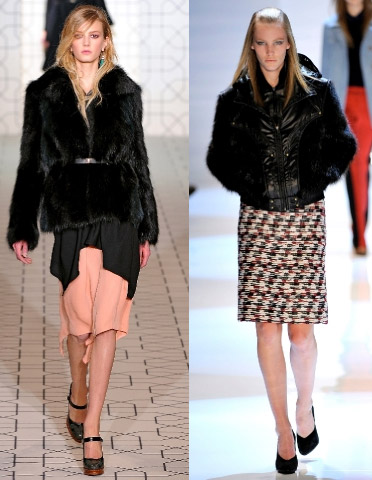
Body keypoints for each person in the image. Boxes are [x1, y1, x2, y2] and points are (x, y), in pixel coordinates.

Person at [7, 5, 158, 476]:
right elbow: (30, 161)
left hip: (119, 209)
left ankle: (92, 425)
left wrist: (147, 225)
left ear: (106, 40)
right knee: (78, 323)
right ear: (68, 40)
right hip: (71, 209)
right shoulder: (45, 92)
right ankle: (78, 388)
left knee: (107, 322)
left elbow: (139, 159)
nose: (88, 43)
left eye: (96, 35)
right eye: (80, 35)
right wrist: (22, 225)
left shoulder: (125, 91)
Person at [206, 7, 356, 475]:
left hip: (304, 219)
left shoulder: (318, 93)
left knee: (301, 332)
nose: (270, 52)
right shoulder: (235, 100)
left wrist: (312, 182)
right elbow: (218, 158)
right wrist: (253, 186)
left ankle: (304, 407)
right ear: (252, 46)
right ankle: (283, 431)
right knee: (266, 329)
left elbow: (344, 144)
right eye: (262, 43)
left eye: (277, 42)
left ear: (289, 42)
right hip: (259, 222)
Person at [322, 0, 372, 255]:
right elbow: (325, 73)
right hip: (344, 103)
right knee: (356, 165)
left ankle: (360, 229)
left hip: (368, 102)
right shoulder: (330, 27)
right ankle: (359, 231)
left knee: (361, 165)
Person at [42, 0, 112, 70]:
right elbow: (51, 13)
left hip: (87, 29)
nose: (86, 43)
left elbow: (103, 17)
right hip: (58, 34)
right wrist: (47, 33)